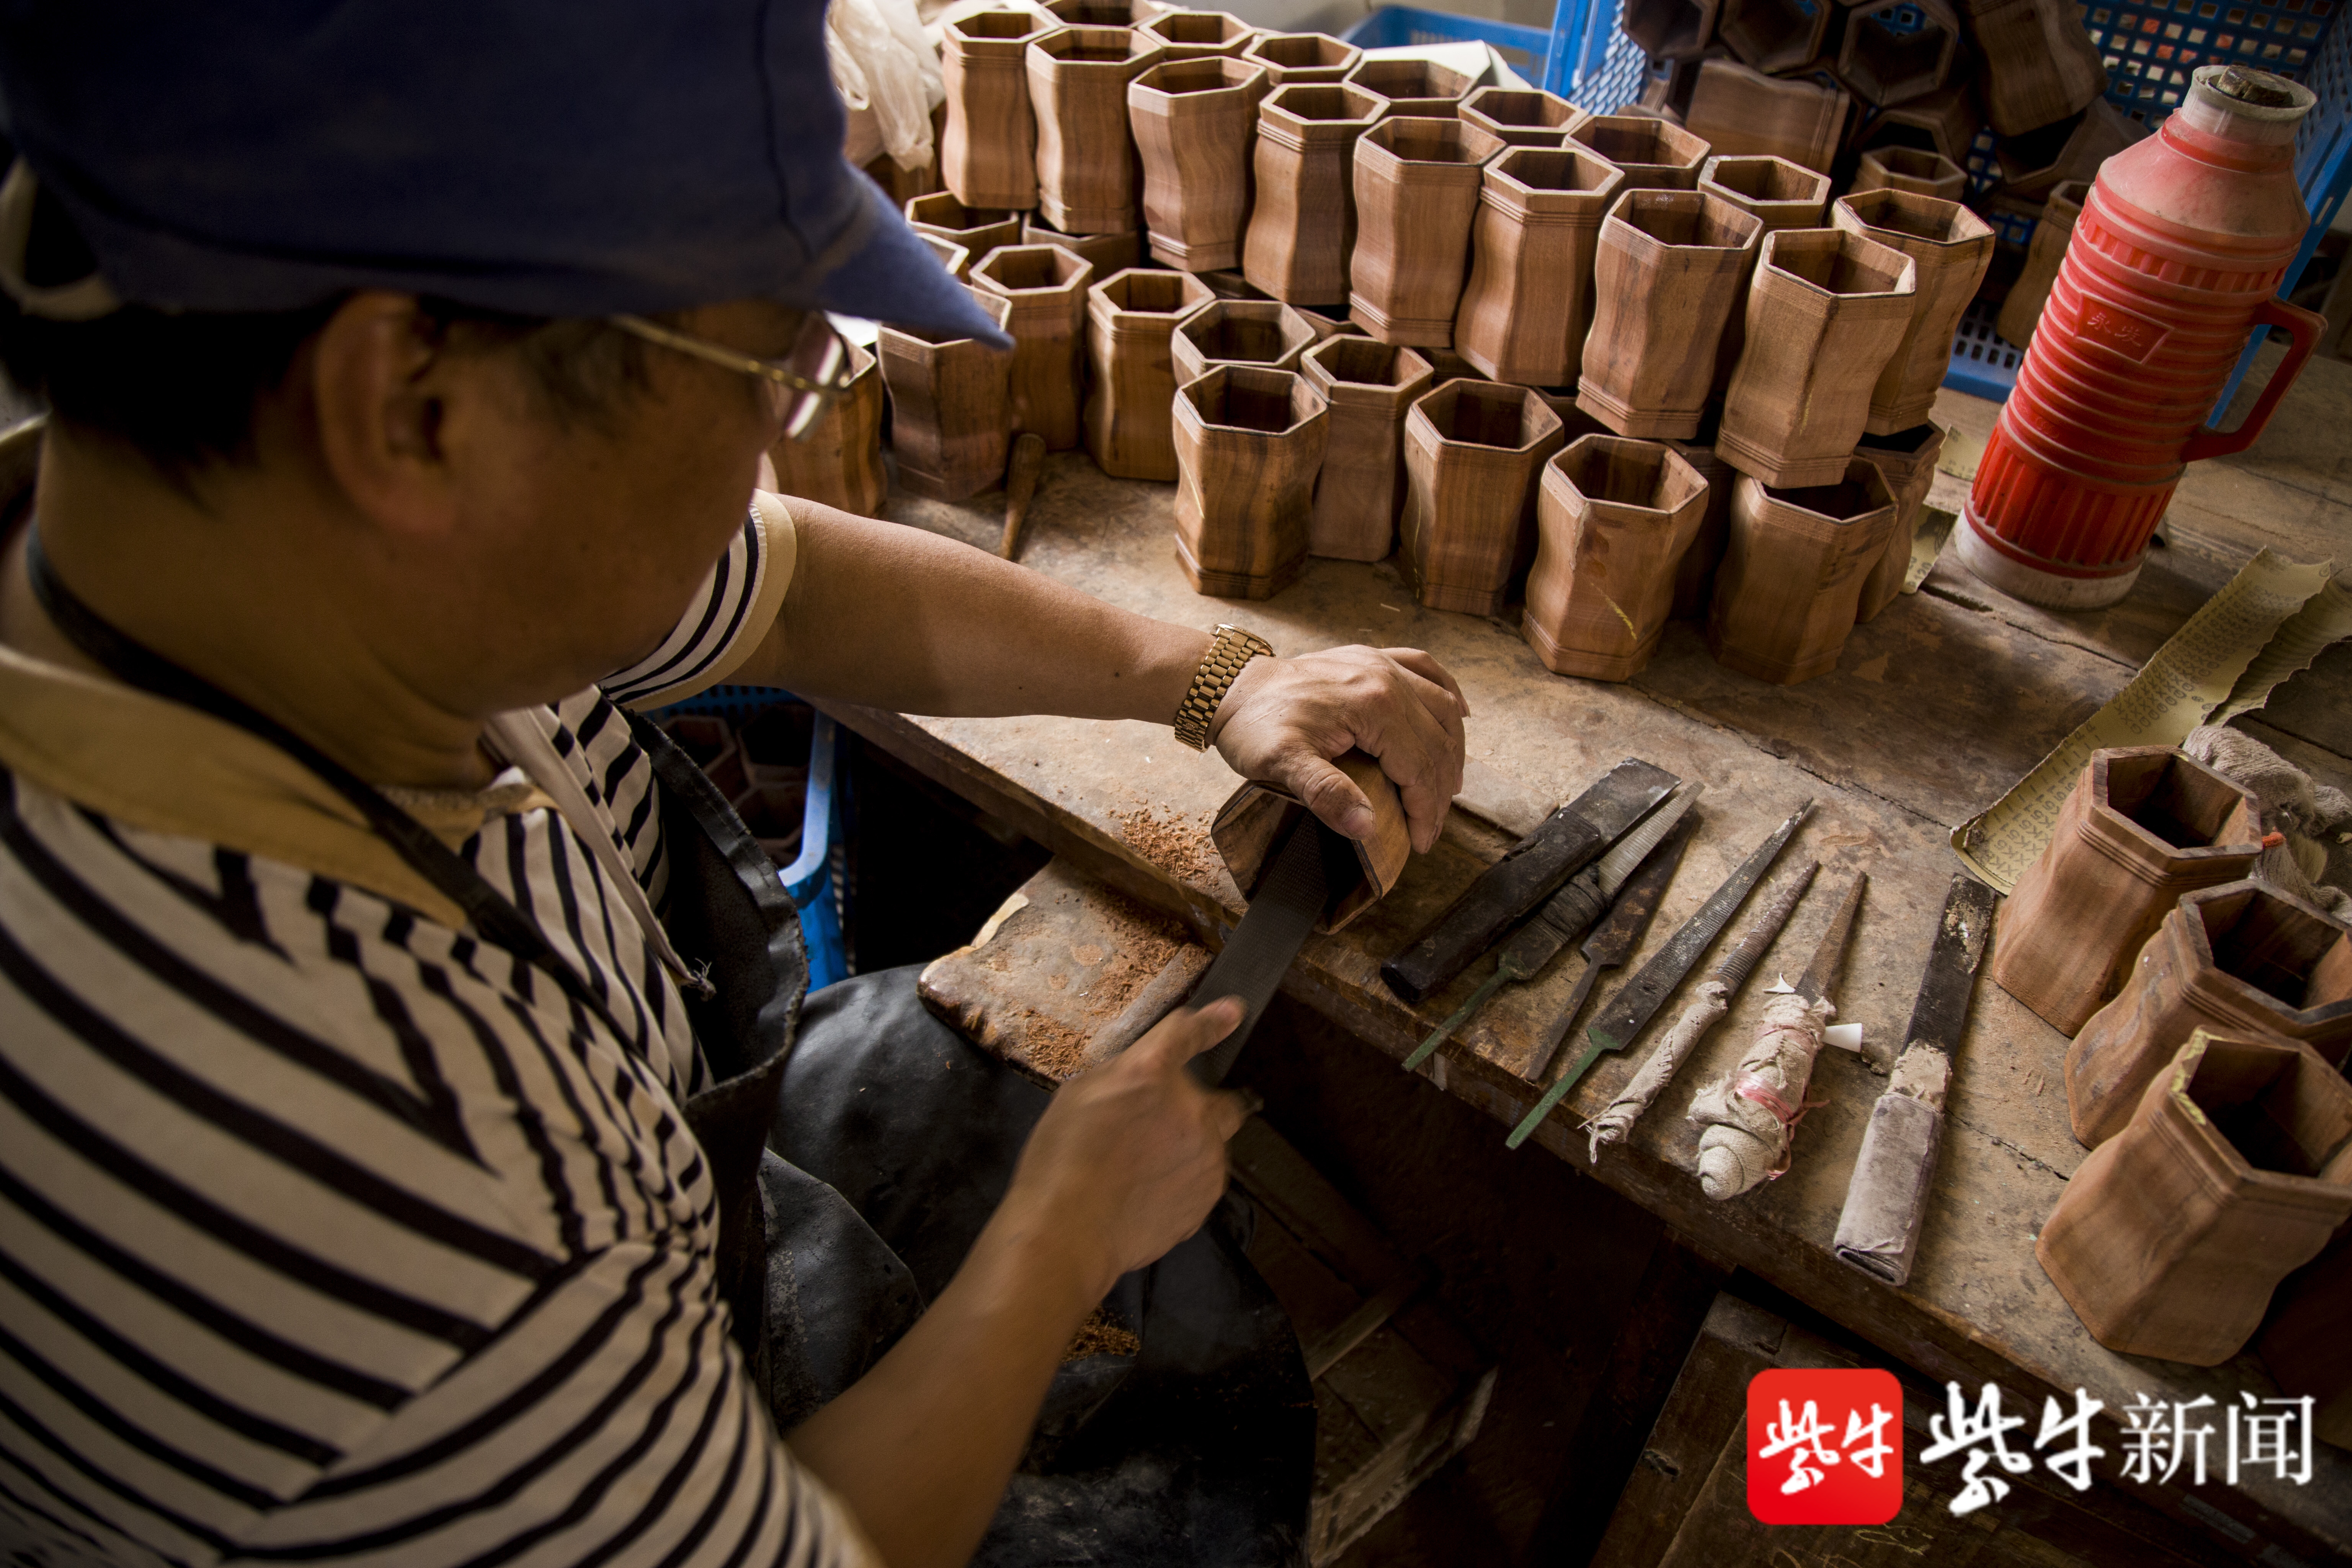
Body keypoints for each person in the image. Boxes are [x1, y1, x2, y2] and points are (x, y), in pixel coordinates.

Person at [0, 5, 1468, 1568]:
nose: (780, 443)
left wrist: (1203, 676)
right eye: (769, 370)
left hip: (642, 1225)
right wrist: (1058, 1241)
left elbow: (775, 584)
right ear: (410, 407)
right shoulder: (378, 1199)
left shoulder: (281, 551)